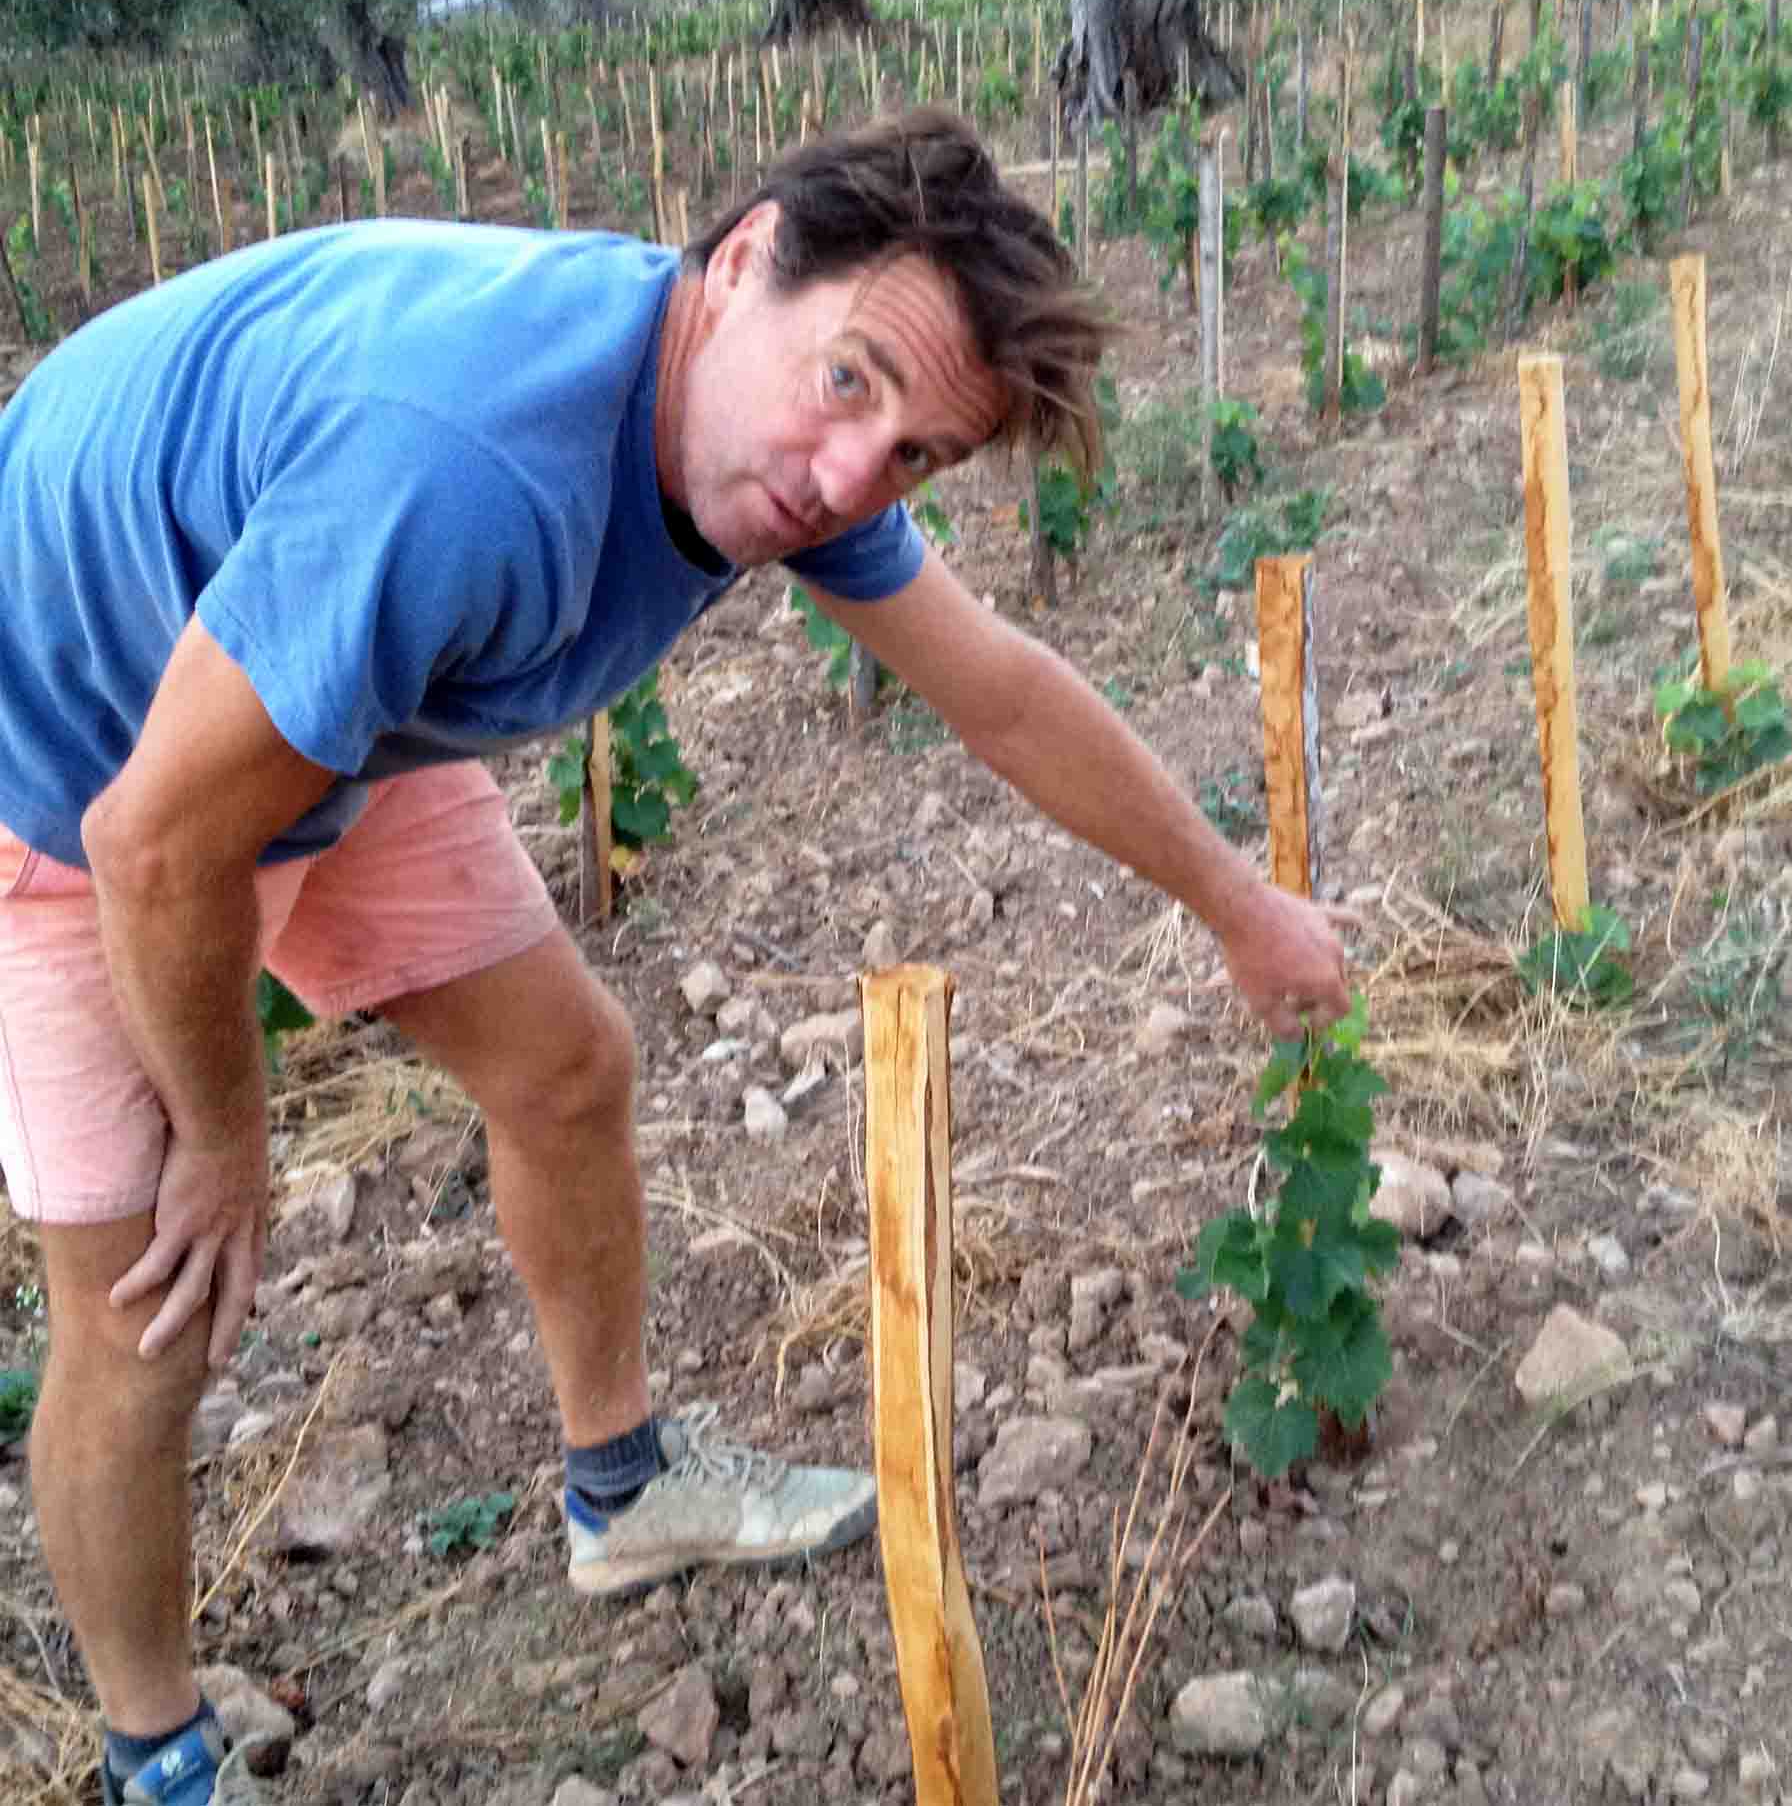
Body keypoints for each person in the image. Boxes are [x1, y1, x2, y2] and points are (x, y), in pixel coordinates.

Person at [0, 108, 1360, 1805]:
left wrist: (1240, 904)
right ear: (741, 262)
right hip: (68, 742)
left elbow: (999, 690)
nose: (849, 478)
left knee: (567, 1070)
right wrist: (224, 1135)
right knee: (145, 1301)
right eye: (849, 381)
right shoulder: (476, 471)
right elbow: (156, 843)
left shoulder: (767, 448)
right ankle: (155, 1755)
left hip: (308, 683)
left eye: (915, 453)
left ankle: (622, 1489)